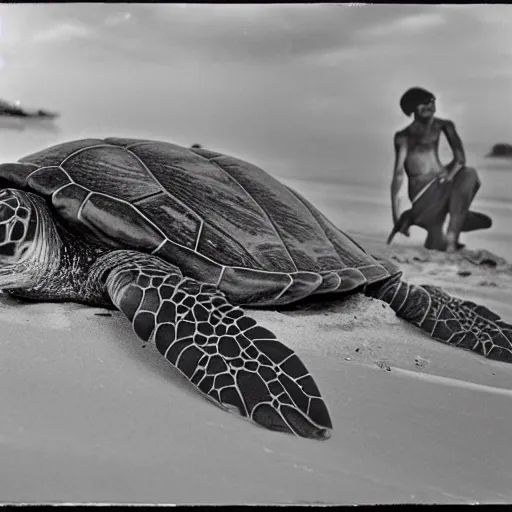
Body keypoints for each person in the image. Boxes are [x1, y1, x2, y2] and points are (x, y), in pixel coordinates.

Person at [388, 87, 491, 252]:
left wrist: (449, 174)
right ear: (412, 107)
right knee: (437, 244)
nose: (429, 105)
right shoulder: (404, 136)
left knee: (469, 174)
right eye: (423, 102)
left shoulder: (444, 126)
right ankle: (440, 220)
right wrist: (395, 216)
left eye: (431, 101)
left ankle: (453, 233)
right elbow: (398, 175)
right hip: (423, 196)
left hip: (443, 185)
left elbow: (460, 160)